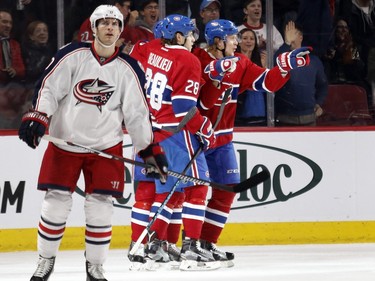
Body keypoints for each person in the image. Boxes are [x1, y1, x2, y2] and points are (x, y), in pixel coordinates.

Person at [18, 5, 168, 281]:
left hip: (106, 148)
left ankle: (95, 267)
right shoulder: (71, 55)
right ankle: (45, 261)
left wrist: (148, 149)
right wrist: (39, 116)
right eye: (105, 23)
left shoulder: (129, 68)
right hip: (66, 142)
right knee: (56, 203)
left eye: (116, 24)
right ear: (95, 27)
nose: (110, 28)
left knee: (101, 208)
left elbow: (137, 113)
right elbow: (49, 88)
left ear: (121, 30)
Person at [191, 19, 310, 267]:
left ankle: (206, 243)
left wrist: (284, 66)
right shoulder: (195, 59)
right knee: (193, 194)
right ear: (217, 41)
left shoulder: (241, 63)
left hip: (222, 140)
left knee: (227, 191)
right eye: (233, 38)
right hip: (194, 138)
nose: (239, 42)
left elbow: (269, 83)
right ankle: (179, 244)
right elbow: (197, 104)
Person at [128, 14, 237, 271]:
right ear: (178, 36)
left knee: (151, 191)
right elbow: (183, 108)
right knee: (196, 188)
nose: (192, 41)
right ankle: (191, 249)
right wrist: (205, 127)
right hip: (173, 134)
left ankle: (146, 247)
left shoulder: (148, 48)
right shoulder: (186, 59)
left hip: (145, 132)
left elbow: (134, 57)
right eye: (189, 35)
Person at [274, 21, 328, 126]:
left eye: (292, 34)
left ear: (300, 37)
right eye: (287, 34)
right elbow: (276, 63)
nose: (289, 37)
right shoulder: (281, 57)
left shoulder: (314, 61)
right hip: (285, 118)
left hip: (309, 118)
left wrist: (318, 103)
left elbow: (323, 85)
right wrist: (286, 44)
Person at [235, 27, 267, 126]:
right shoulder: (233, 60)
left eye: (252, 39)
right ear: (239, 41)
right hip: (239, 114)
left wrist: (263, 67)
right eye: (245, 38)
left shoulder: (261, 59)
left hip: (260, 114)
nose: (249, 41)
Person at [21, 20, 55, 87]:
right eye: (38, 31)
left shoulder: (50, 51)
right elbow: (32, 72)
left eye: (45, 30)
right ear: (31, 36)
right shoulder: (26, 51)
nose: (42, 33)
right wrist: (46, 57)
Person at [0, 9, 25, 85]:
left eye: (10, 23)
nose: (8, 26)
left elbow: (22, 69)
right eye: (4, 22)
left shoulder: (15, 44)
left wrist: (15, 70)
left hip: (12, 84)